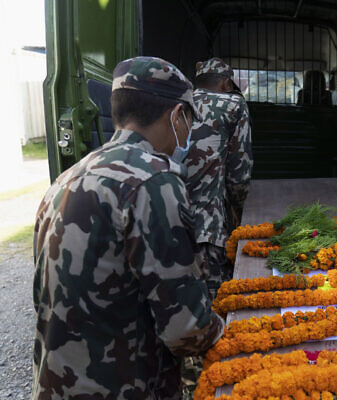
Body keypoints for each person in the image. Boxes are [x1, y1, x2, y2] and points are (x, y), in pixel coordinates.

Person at [32, 56, 224, 400]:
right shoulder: (154, 181)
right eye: (189, 119)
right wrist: (226, 330)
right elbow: (186, 329)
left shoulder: (66, 179)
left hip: (56, 386)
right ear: (177, 115)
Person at [184, 57, 253, 297]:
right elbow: (239, 174)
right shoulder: (233, 105)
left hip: (165, 228)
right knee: (214, 307)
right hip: (208, 230)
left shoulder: (174, 104)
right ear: (225, 84)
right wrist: (239, 217)